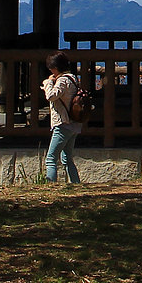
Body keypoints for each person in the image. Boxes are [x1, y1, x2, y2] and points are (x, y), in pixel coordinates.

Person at [42, 51, 84, 184]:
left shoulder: (62, 80)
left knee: (51, 159)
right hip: (73, 124)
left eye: (51, 68)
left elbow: (51, 96)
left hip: (63, 124)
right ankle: (76, 184)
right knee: (67, 158)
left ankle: (51, 186)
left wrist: (48, 83)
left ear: (55, 67)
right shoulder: (73, 78)